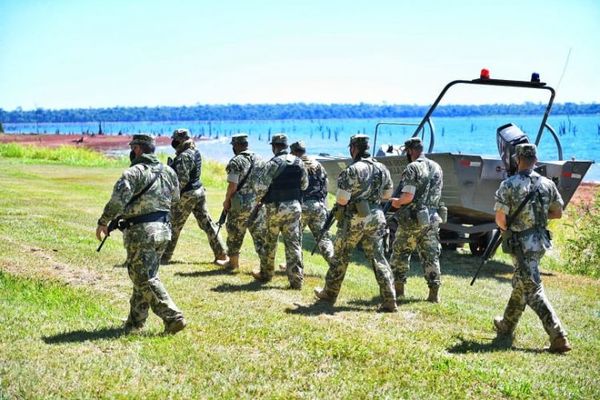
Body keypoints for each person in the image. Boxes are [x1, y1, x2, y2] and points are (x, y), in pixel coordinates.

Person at [95, 134, 186, 334]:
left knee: (143, 277)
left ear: (137, 149)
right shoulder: (169, 172)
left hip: (141, 233)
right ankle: (135, 323)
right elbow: (176, 200)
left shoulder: (133, 172)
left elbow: (118, 201)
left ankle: (172, 316)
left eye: (132, 147)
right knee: (144, 275)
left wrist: (103, 221)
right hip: (163, 230)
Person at [492, 143, 571, 353]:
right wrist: (537, 217)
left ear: (518, 160)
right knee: (522, 282)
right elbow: (557, 213)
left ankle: (558, 335)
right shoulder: (547, 184)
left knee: (533, 289)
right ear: (536, 159)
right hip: (540, 242)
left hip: (520, 245)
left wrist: (510, 226)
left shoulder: (509, 184)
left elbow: (500, 219)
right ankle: (506, 324)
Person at [314, 134, 397, 312]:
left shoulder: (352, 170)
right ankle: (390, 298)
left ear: (354, 148)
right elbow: (387, 195)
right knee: (378, 257)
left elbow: (342, 200)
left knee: (340, 256)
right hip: (377, 216)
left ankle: (330, 293)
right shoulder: (382, 167)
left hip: (354, 218)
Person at [161, 128, 228, 265]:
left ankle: (165, 256)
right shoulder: (195, 152)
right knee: (207, 224)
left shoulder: (184, 156)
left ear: (180, 140)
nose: (173, 142)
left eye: (175, 140)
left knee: (174, 225)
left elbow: (182, 179)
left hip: (187, 194)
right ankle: (221, 253)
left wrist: (173, 197)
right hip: (198, 191)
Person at [389, 137, 444, 303]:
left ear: (410, 151)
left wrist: (396, 202)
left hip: (412, 220)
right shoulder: (437, 167)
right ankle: (433, 294)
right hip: (432, 218)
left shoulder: (412, 167)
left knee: (400, 253)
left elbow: (408, 196)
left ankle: (399, 291)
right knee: (431, 256)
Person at [252, 133, 308, 289]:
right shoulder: (299, 162)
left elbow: (260, 188)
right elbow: (304, 185)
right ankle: (296, 280)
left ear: (274, 146)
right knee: (294, 244)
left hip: (275, 208)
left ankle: (266, 274)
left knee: (270, 242)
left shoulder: (272, 164)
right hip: (294, 207)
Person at [217, 133, 269, 272]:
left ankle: (233, 264)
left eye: (233, 145)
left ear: (236, 146)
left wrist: (226, 202)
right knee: (260, 237)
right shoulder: (260, 159)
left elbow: (232, 186)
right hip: (258, 204)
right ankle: (266, 267)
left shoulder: (236, 162)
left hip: (240, 205)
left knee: (234, 233)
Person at [290, 140, 334, 263]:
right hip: (318, 206)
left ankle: (295, 267)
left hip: (301, 206)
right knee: (324, 239)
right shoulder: (317, 164)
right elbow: (325, 185)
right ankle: (335, 265)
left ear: (293, 152)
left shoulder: (294, 164)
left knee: (295, 239)